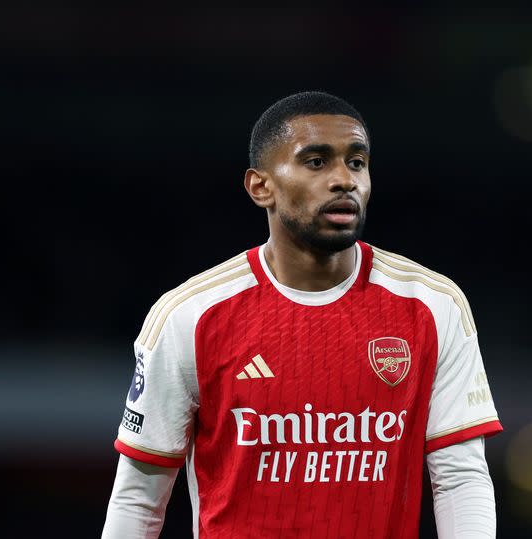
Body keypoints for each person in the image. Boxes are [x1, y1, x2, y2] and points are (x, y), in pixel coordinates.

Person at [102, 91, 502, 538]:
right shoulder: (189, 317)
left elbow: (460, 479)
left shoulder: (432, 306)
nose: (344, 180)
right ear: (261, 186)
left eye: (356, 162)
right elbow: (138, 499)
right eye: (316, 161)